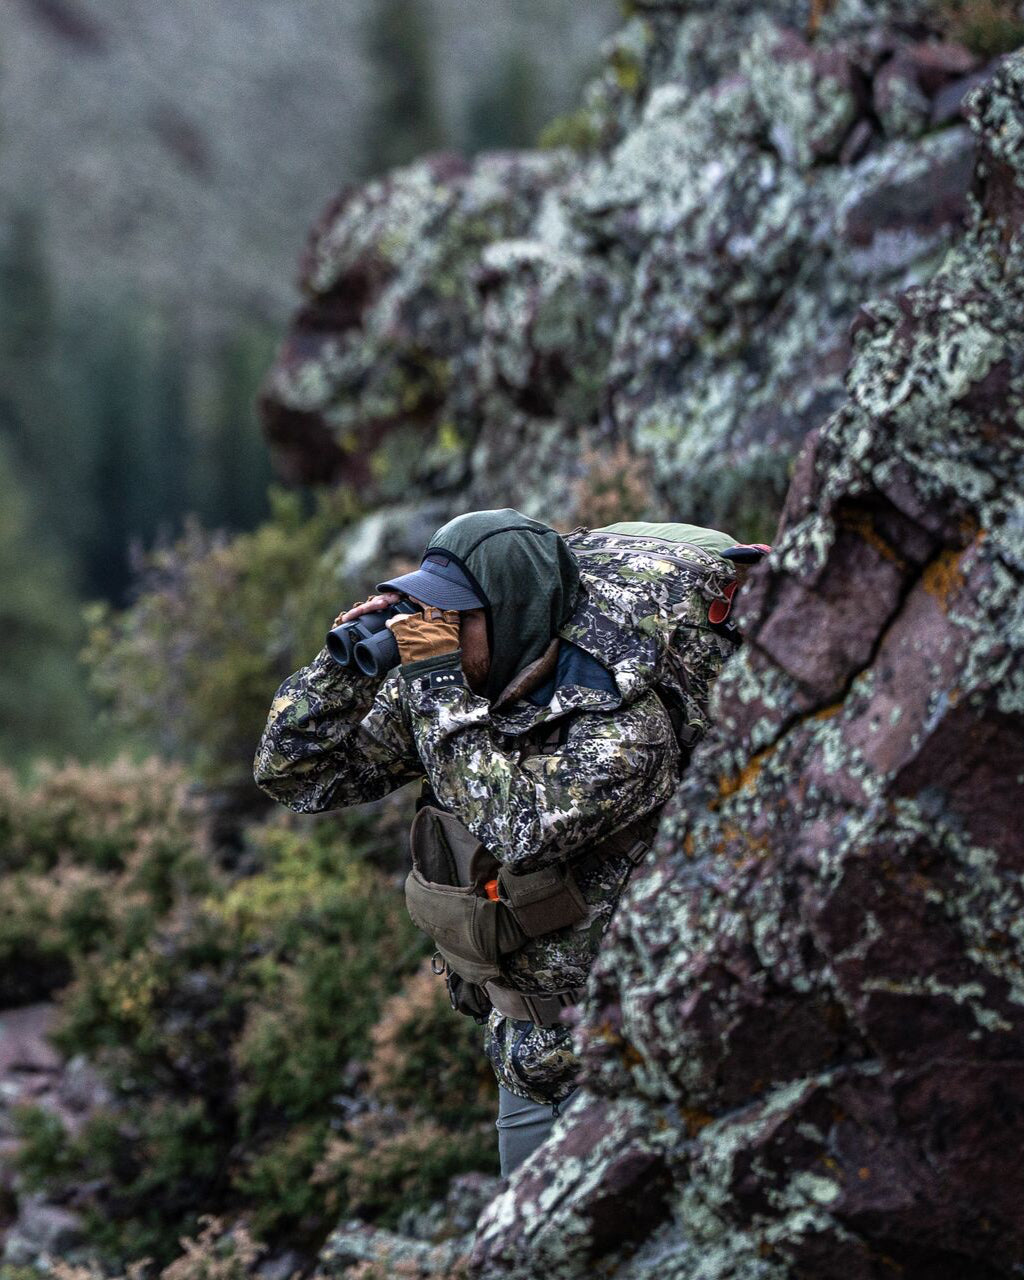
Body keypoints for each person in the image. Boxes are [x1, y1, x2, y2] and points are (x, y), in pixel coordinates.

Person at [253, 508, 752, 1175]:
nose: (437, 632)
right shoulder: (457, 691)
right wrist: (346, 664)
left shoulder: (624, 720)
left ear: (515, 615)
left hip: (644, 1054)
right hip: (530, 1058)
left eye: (457, 617)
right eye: (430, 612)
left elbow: (523, 829)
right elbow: (294, 773)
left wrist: (436, 687)